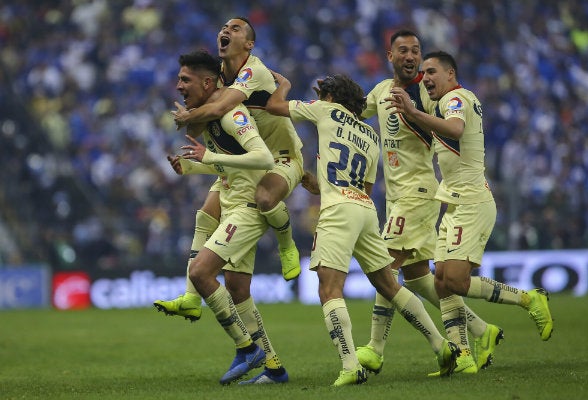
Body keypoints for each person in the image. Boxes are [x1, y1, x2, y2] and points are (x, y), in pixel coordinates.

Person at [265, 72, 460, 386]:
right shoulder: (370, 134)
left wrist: (285, 85)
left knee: (329, 289)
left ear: (330, 96)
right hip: (364, 210)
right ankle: (441, 344)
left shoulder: (324, 109)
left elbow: (274, 106)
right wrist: (321, 186)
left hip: (338, 211)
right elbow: (364, 187)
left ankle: (350, 364)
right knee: (389, 285)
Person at [388, 50, 554, 374]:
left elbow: (455, 129)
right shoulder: (443, 103)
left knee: (456, 281)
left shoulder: (457, 99)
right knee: (440, 282)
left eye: (433, 71)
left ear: (451, 74)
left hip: (473, 203)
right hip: (452, 202)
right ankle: (463, 355)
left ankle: (529, 298)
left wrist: (411, 110)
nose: (428, 78)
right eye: (425, 73)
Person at [356, 30, 502, 375]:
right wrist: (331, 104)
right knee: (423, 279)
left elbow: (454, 122)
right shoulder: (379, 91)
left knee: (384, 267)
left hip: (418, 193)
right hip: (396, 198)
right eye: (403, 50)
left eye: (416, 51)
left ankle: (376, 348)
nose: (410, 56)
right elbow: (352, 112)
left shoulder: (427, 92)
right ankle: (483, 331)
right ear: (389, 56)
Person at [164, 49, 289, 385]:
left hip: (248, 209)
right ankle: (274, 368)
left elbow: (263, 159)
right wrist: (191, 166)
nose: (178, 86)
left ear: (208, 83)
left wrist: (209, 155)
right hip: (233, 202)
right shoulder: (208, 116)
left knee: (201, 272)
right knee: (236, 289)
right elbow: (225, 164)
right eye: (179, 79)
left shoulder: (233, 115)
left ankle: (246, 348)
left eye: (185, 80)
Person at [171, 16, 304, 284]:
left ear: (249, 44)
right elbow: (196, 130)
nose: (226, 30)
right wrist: (194, 116)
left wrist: (190, 115)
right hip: (249, 160)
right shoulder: (218, 76)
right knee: (207, 213)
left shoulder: (253, 71)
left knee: (265, 197)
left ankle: (287, 245)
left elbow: (219, 109)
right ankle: (190, 296)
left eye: (235, 29)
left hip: (282, 157)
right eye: (223, 28)